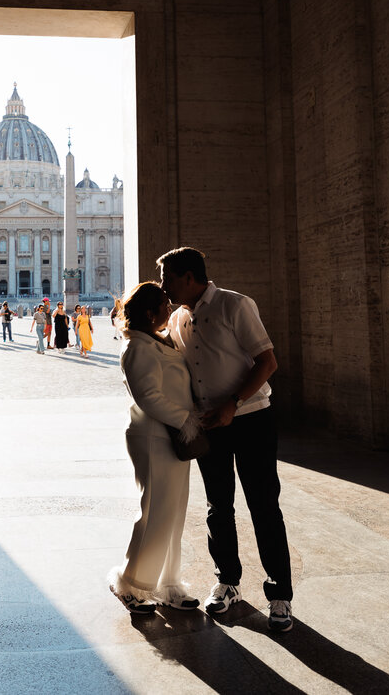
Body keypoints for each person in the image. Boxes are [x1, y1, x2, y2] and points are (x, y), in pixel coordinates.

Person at [157, 246, 293, 633]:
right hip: (210, 423)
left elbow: (268, 361)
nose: (164, 287)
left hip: (252, 419)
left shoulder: (236, 305)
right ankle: (228, 581)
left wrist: (234, 403)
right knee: (218, 507)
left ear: (188, 277)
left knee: (264, 505)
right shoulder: (178, 318)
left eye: (167, 279)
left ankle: (279, 594)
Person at [108, 282, 202, 614]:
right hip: (153, 436)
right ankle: (131, 582)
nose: (170, 307)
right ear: (150, 313)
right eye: (164, 303)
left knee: (173, 513)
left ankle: (168, 583)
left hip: (173, 435)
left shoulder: (155, 340)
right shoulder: (137, 346)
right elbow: (148, 396)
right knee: (154, 512)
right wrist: (187, 420)